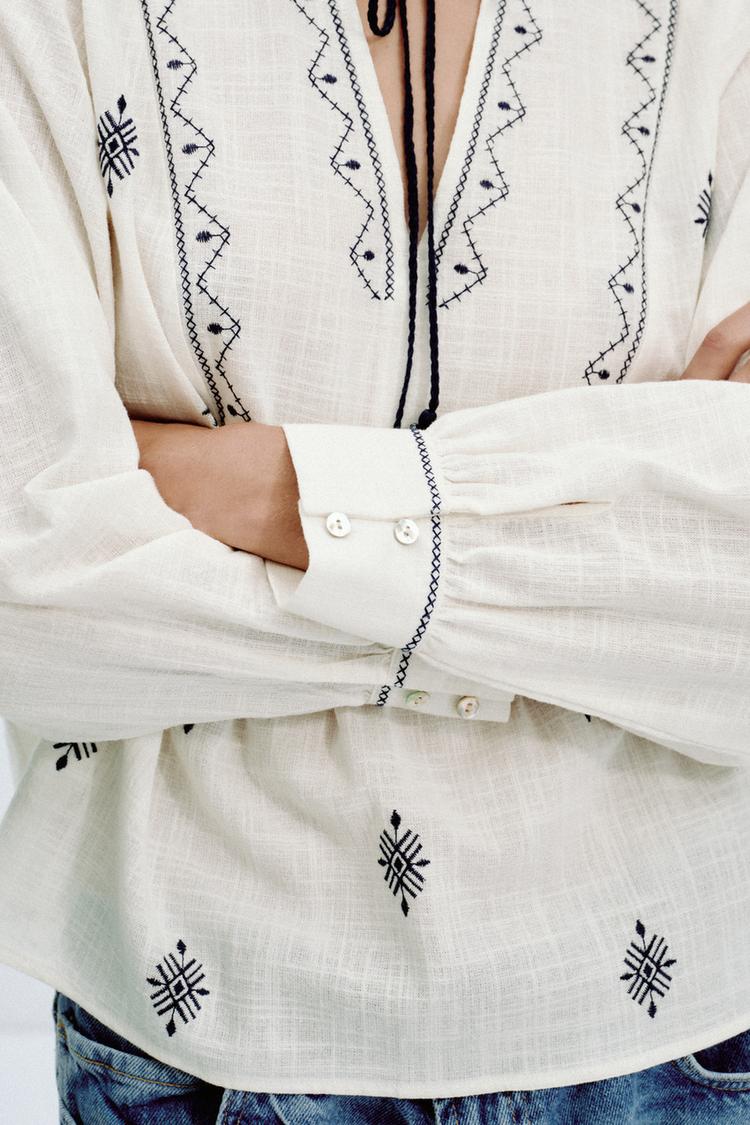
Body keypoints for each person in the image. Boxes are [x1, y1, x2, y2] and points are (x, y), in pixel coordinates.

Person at [1, 0, 749, 1121]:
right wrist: (597, 564)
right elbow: (29, 601)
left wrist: (272, 492)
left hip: (674, 1030)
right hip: (206, 1030)